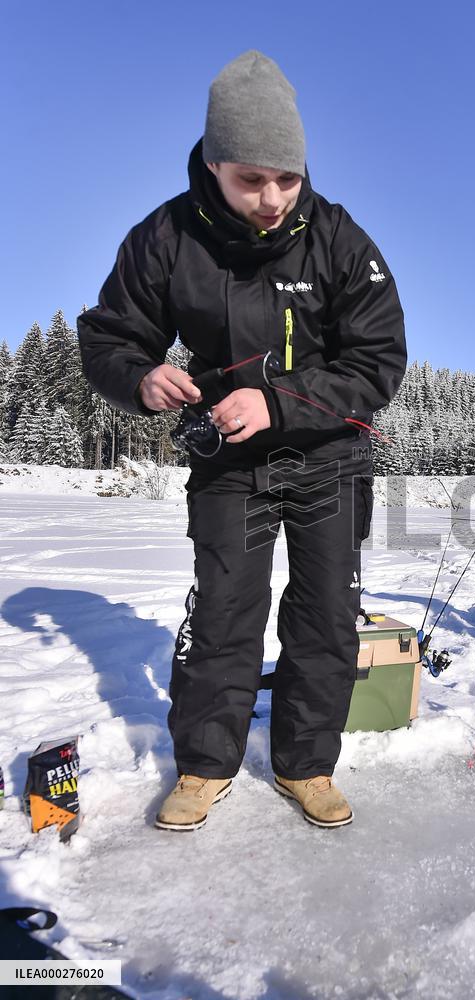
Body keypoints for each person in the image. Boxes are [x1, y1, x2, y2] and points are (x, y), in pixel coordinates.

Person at [77, 51, 406, 832]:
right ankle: (204, 763)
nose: (272, 198)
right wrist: (141, 377)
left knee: (325, 615)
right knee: (225, 611)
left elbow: (377, 361)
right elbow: (109, 337)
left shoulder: (338, 238)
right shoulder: (165, 237)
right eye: (251, 179)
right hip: (229, 463)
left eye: (287, 178)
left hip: (327, 459)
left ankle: (306, 763)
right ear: (214, 165)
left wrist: (279, 403)